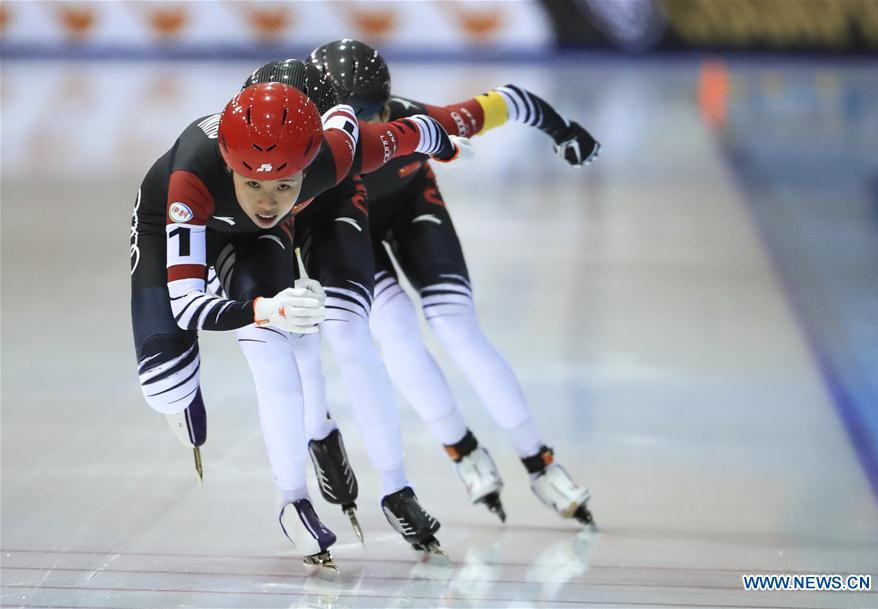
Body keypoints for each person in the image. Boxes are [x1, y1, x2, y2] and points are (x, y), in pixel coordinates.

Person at [130, 81, 461, 568]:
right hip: (173, 225)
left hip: (252, 241)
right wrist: (265, 308)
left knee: (274, 345)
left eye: (286, 184)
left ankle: (292, 499)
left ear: (310, 167)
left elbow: (413, 133)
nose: (269, 201)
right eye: (254, 182)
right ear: (228, 162)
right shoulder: (192, 176)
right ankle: (183, 396)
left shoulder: (336, 155)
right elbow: (186, 305)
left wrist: (447, 145)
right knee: (164, 383)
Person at [302, 39, 599, 526]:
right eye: (353, 116)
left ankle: (539, 460)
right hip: (348, 230)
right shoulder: (308, 146)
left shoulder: (420, 121)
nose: (367, 129)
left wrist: (563, 131)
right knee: (394, 329)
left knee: (456, 327)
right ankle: (463, 451)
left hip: (412, 207)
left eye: (376, 112)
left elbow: (511, 100)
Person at [240, 59, 469, 556]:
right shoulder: (224, 156)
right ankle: (312, 450)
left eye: (294, 161)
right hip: (261, 224)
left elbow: (413, 131)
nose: (280, 174)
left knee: (349, 333)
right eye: (265, 164)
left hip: (333, 205)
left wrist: (443, 142)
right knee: (283, 338)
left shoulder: (344, 147)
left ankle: (395, 485)